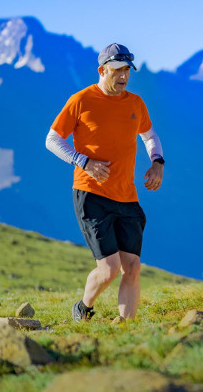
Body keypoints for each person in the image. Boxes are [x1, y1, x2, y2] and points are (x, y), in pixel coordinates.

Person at [45, 43, 165, 321]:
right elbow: (52, 140)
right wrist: (83, 161)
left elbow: (149, 135)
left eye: (127, 71)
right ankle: (83, 307)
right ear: (102, 70)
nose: (123, 76)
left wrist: (157, 162)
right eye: (117, 71)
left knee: (132, 268)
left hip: (127, 195)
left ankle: (125, 327)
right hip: (91, 194)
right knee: (109, 269)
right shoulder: (81, 100)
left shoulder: (135, 103)